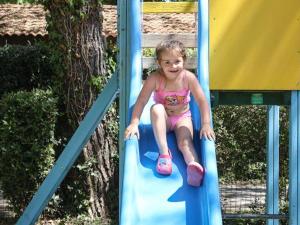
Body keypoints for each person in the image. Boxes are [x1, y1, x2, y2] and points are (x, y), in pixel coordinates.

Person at [124, 40, 215, 187]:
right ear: (159, 63)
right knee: (156, 108)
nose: (173, 66)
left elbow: (202, 100)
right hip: (164, 120)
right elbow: (141, 100)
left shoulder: (188, 78)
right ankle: (164, 153)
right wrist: (134, 123)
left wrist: (206, 124)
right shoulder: (155, 78)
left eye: (177, 61)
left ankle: (194, 167)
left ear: (183, 61)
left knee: (185, 142)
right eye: (167, 62)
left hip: (182, 118)